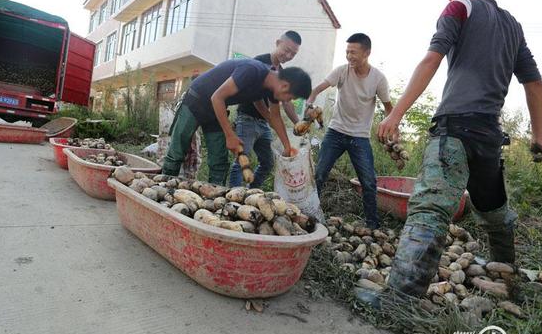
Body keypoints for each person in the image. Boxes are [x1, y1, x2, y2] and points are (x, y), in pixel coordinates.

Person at [376, 0, 542, 299]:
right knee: (495, 213)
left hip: (454, 128)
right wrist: (538, 135)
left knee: (429, 207)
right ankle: (506, 280)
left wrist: (395, 114)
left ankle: (399, 298)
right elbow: (534, 83)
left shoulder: (459, 8)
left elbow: (431, 58)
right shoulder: (512, 24)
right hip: (489, 135)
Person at [162, 58, 312, 184]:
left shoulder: (271, 87)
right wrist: (230, 135)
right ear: (285, 86)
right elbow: (217, 97)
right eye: (291, 98)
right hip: (196, 100)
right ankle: (165, 186)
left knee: (219, 162)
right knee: (177, 152)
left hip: (216, 109)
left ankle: (213, 200)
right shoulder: (252, 70)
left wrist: (287, 147)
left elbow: (274, 116)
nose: (288, 101)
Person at [306, 33, 393, 229]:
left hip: (359, 137)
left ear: (367, 53)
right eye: (347, 52)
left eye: (353, 52)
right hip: (335, 132)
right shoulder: (341, 71)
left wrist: (392, 128)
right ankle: (309, 216)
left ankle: (372, 225)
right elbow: (316, 90)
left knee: (368, 182)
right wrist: (309, 105)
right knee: (319, 175)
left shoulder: (378, 79)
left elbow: (389, 108)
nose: (349, 56)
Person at [228, 31, 302, 188]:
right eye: (286, 50)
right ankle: (232, 196)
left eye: (293, 54)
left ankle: (251, 195)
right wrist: (271, 119)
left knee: (267, 163)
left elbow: (286, 102)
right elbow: (256, 98)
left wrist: (298, 122)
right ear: (277, 43)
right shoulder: (259, 62)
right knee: (241, 161)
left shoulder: (282, 73)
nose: (288, 55)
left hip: (264, 124)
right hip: (247, 118)